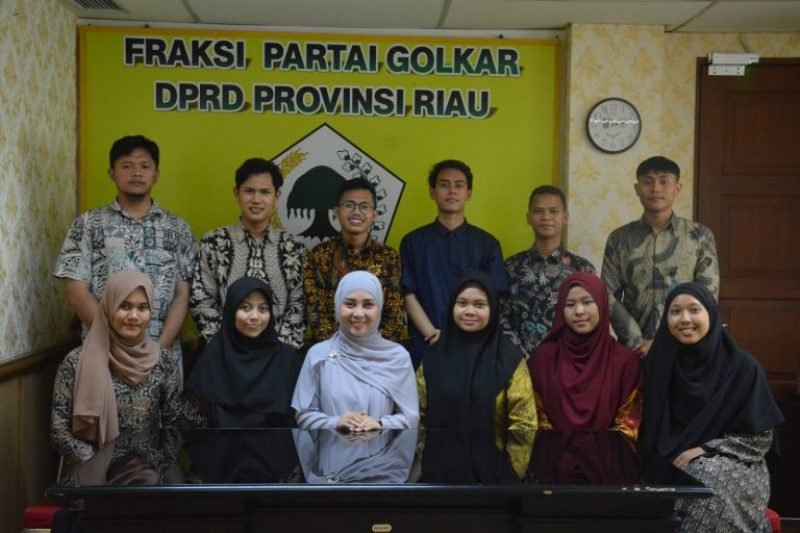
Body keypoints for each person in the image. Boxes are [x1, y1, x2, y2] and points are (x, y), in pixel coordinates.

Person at [639, 283, 784, 533]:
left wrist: (706, 449)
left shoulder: (743, 367)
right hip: (668, 461)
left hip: (735, 463)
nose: (685, 319)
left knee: (706, 479)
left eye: (694, 310)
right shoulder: (658, 365)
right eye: (675, 311)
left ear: (711, 314)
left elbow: (760, 438)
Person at [54, 135, 195, 361]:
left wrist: (159, 348)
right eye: (127, 166)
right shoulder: (87, 225)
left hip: (163, 355)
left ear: (156, 174)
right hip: (103, 352)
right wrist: (114, 343)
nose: (136, 173)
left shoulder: (179, 229)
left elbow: (182, 295)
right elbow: (77, 292)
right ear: (111, 173)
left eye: (145, 166)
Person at [50, 271, 203, 463]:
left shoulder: (163, 361)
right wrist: (99, 465)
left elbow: (175, 424)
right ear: (108, 307)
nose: (133, 316)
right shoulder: (75, 362)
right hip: (93, 468)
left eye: (142, 308)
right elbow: (59, 431)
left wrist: (155, 463)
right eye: (124, 306)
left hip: (149, 467)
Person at [601, 156, 719, 357]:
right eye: (648, 182)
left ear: (677, 188)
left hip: (684, 348)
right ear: (637, 189)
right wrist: (636, 340)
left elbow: (707, 296)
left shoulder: (700, 236)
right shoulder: (619, 238)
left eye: (664, 181)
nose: (656, 188)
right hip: (634, 351)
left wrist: (663, 343)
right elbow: (608, 295)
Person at [400, 160, 509, 367]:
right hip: (426, 346)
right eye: (444, 185)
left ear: (469, 193)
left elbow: (494, 299)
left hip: (476, 348)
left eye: (459, 185)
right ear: (432, 192)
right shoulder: (412, 242)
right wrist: (431, 334)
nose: (452, 191)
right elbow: (408, 294)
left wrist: (470, 336)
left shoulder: (487, 244)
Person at [191, 157, 306, 348]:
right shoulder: (213, 243)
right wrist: (227, 347)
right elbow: (201, 300)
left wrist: (279, 352)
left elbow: (298, 304)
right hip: (225, 353)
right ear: (237, 193)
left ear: (277, 196)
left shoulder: (293, 248)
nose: (256, 200)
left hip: (279, 354)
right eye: (249, 191)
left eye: (265, 192)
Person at [291, 271, 419, 431]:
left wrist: (380, 424)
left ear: (379, 308)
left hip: (380, 446)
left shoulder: (397, 358)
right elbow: (303, 415)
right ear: (337, 306)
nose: (358, 313)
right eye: (350, 304)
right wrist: (335, 423)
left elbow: (410, 418)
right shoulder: (320, 355)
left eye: (368, 305)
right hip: (331, 446)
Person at [528, 272, 642, 439]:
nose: (579, 311)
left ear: (602, 304)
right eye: (570, 304)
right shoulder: (542, 360)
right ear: (560, 309)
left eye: (587, 302)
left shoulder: (625, 362)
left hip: (609, 453)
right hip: (553, 452)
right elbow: (533, 418)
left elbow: (629, 423)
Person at [417, 271, 536, 432]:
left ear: (493, 309)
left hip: (495, 448)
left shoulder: (509, 358)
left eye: (479, 305)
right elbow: (417, 417)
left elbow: (525, 425)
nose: (469, 311)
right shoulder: (435, 356)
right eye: (462, 303)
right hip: (438, 447)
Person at [186, 277, 303, 428]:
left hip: (275, 441)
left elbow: (300, 417)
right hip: (220, 442)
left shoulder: (286, 359)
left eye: (263, 309)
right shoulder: (213, 356)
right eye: (245, 307)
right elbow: (194, 419)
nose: (254, 317)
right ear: (231, 310)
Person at [303, 178, 404, 344]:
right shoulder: (318, 256)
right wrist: (342, 352)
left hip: (377, 354)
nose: (356, 212)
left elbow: (393, 314)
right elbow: (316, 313)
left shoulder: (389, 257)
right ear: (336, 212)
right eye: (349, 205)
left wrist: (371, 351)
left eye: (364, 206)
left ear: (374, 215)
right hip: (331, 351)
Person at [501, 185, 595, 356]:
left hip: (566, 360)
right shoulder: (511, 267)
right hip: (519, 362)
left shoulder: (582, 269)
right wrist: (518, 355)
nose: (546, 217)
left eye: (553, 211)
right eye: (538, 211)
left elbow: (589, 320)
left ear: (565, 217)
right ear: (528, 218)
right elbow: (500, 317)